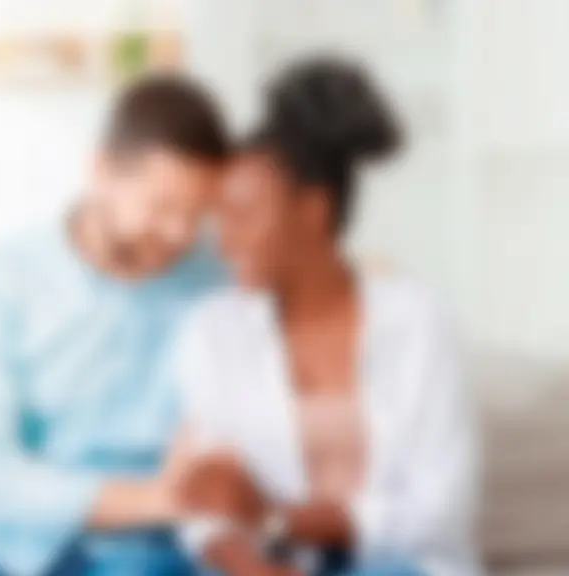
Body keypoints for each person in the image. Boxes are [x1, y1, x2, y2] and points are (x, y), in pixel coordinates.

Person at [0, 74, 231, 576]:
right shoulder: (1, 283)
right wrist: (157, 498)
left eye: (198, 214)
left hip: (155, 553)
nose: (180, 234)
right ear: (101, 170)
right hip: (6, 551)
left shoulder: (219, 283)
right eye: (163, 207)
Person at [172, 56, 482, 576]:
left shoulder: (416, 322)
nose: (223, 240)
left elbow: (440, 508)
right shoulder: (213, 330)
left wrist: (276, 518)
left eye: (244, 216)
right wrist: (255, 567)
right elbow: (206, 506)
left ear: (314, 211)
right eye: (218, 217)